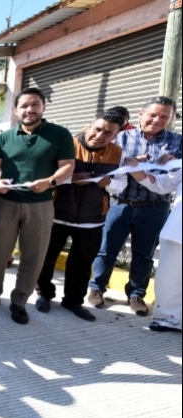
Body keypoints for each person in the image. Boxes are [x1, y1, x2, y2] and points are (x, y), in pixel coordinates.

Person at [0, 87, 75, 325]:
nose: (29, 110)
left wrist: (49, 182)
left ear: (43, 107)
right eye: (24, 106)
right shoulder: (4, 137)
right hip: (6, 203)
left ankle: (19, 301)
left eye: (34, 105)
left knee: (33, 256)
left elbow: (67, 166)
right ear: (15, 110)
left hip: (40, 205)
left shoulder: (59, 134)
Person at [88, 96, 181, 315]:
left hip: (155, 208)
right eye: (152, 115)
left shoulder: (178, 143)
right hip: (120, 204)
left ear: (171, 118)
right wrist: (127, 162)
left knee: (144, 254)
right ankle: (96, 288)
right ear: (141, 114)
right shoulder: (120, 138)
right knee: (106, 249)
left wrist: (174, 159)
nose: (157, 120)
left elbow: (175, 176)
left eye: (164, 117)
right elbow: (105, 163)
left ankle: (136, 294)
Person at [35, 112, 125, 322]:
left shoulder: (118, 153)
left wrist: (109, 184)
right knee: (47, 257)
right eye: (98, 129)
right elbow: (48, 177)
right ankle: (44, 294)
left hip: (92, 218)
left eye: (108, 133)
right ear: (89, 126)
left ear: (115, 135)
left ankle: (73, 301)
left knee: (82, 263)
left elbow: (122, 184)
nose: (101, 135)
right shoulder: (67, 145)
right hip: (58, 214)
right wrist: (72, 178)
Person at [128, 168, 181, 331]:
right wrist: (134, 170)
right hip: (178, 232)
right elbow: (162, 183)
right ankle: (168, 319)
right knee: (168, 280)